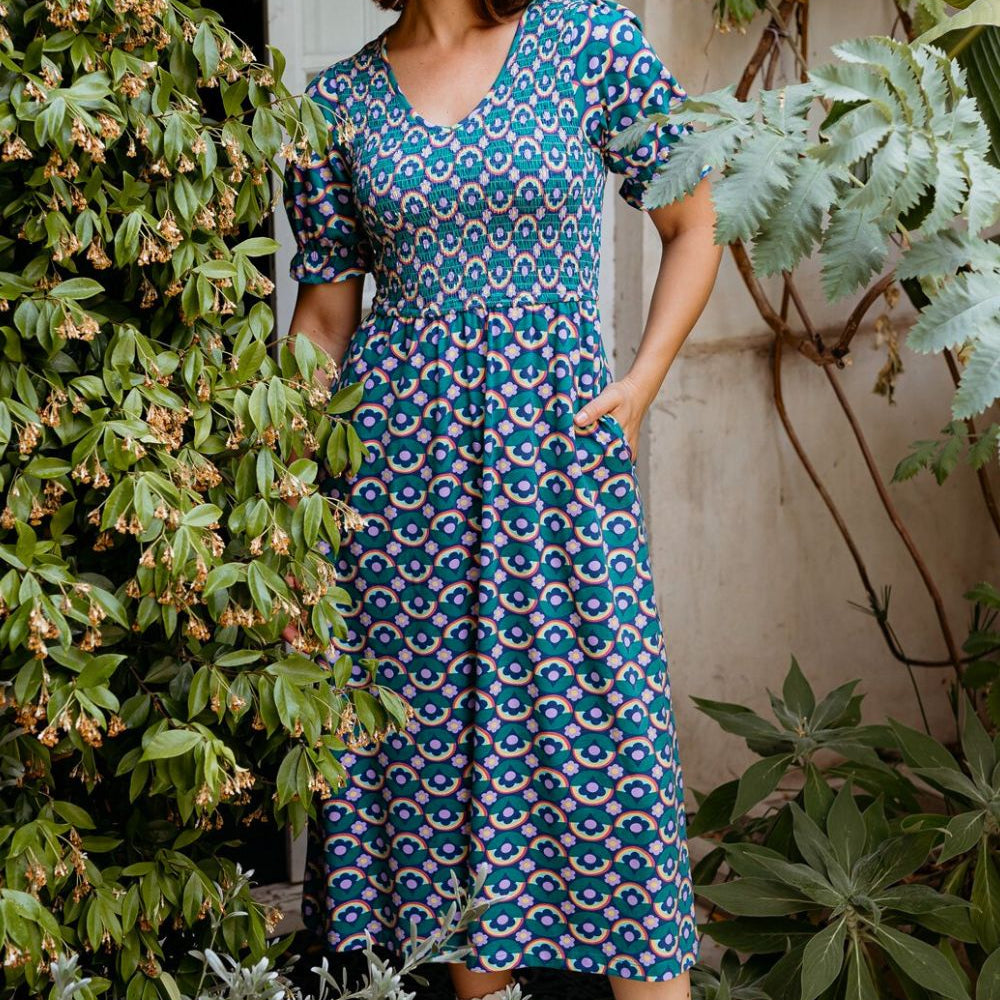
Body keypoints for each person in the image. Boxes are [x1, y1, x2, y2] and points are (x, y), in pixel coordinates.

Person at [281, 1, 722, 998]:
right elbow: (322, 317)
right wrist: (279, 484)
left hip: (560, 462)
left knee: (617, 771)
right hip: (398, 480)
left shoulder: (586, 41)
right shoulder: (339, 100)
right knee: (443, 782)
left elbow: (695, 221)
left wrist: (641, 381)